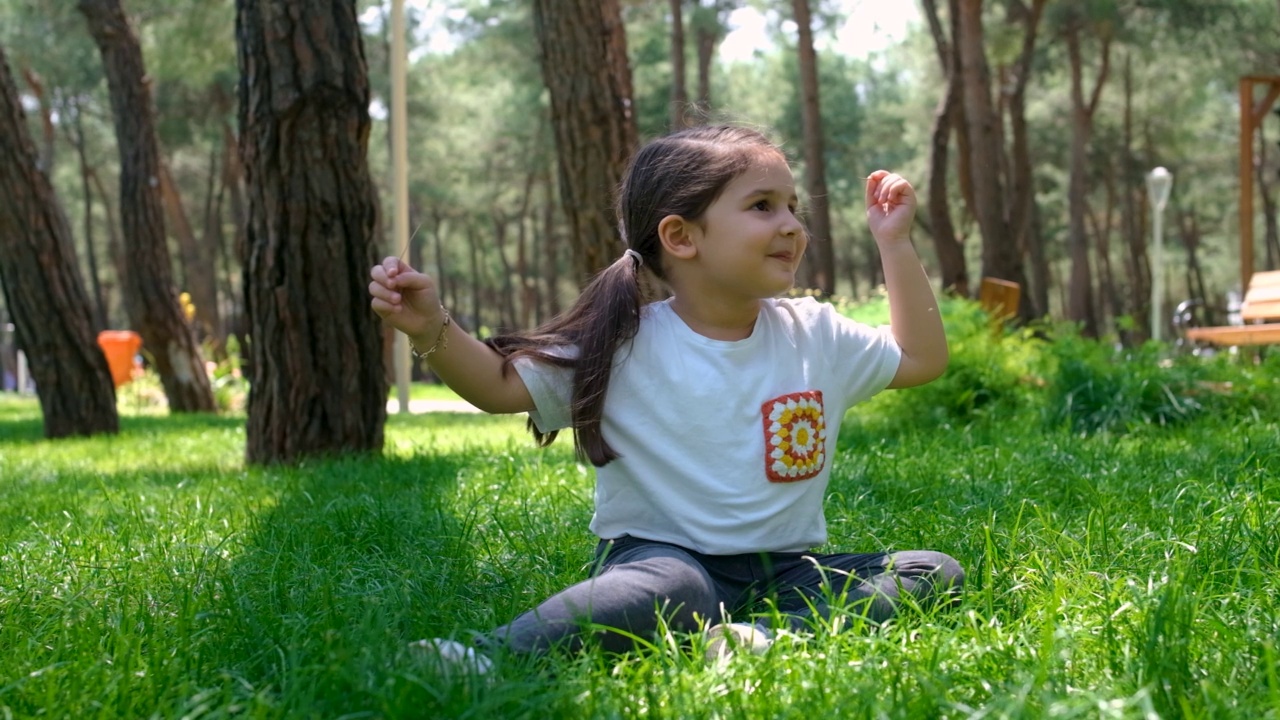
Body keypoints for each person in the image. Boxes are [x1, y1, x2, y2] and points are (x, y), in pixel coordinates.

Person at [368, 125, 964, 665]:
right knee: (672, 591)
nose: (791, 225)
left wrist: (894, 243)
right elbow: (498, 387)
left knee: (930, 572)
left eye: (792, 207)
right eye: (762, 206)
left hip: (786, 570)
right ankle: (486, 658)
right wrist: (431, 329)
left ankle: (761, 639)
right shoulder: (625, 341)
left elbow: (920, 358)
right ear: (681, 236)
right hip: (660, 562)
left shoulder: (815, 333)